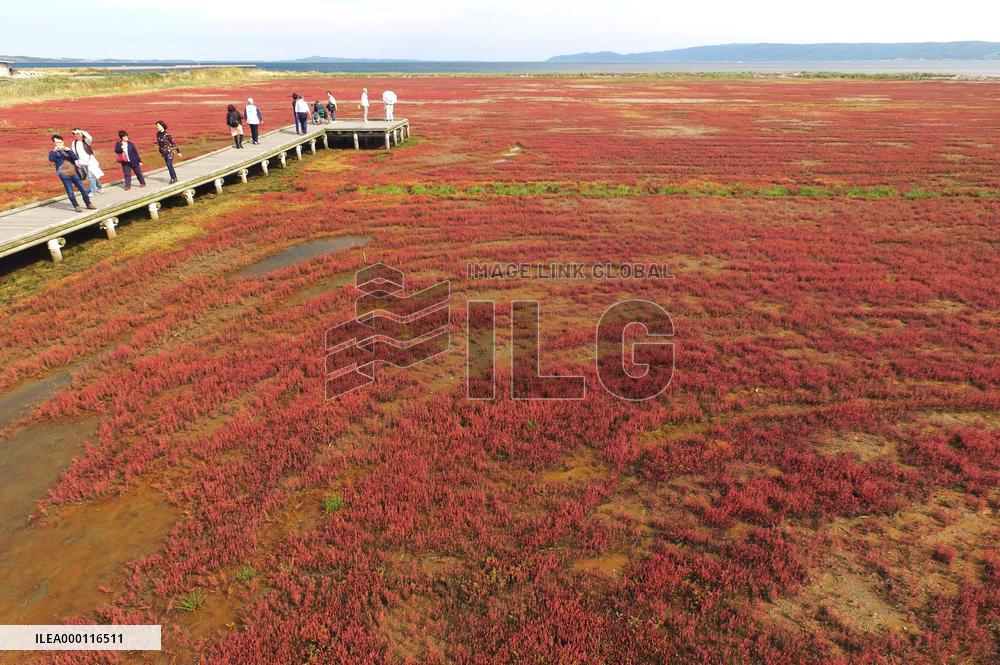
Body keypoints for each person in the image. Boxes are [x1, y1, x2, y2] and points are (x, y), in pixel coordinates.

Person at [49, 134, 96, 212]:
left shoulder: (67, 150)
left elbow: (75, 158)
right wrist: (55, 150)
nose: (59, 144)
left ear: (63, 142)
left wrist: (69, 150)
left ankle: (88, 204)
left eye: (60, 142)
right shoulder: (53, 152)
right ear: (54, 143)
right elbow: (51, 159)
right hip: (63, 174)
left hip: (74, 173)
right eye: (57, 142)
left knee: (83, 189)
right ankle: (76, 206)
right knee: (70, 191)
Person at [70, 128, 104, 194]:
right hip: (81, 163)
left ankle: (93, 192)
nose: (76, 135)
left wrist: (80, 131)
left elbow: (89, 137)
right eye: (75, 134)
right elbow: (74, 153)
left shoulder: (86, 141)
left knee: (90, 177)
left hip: (90, 162)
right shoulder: (74, 143)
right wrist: (76, 162)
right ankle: (100, 187)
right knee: (89, 177)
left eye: (78, 134)